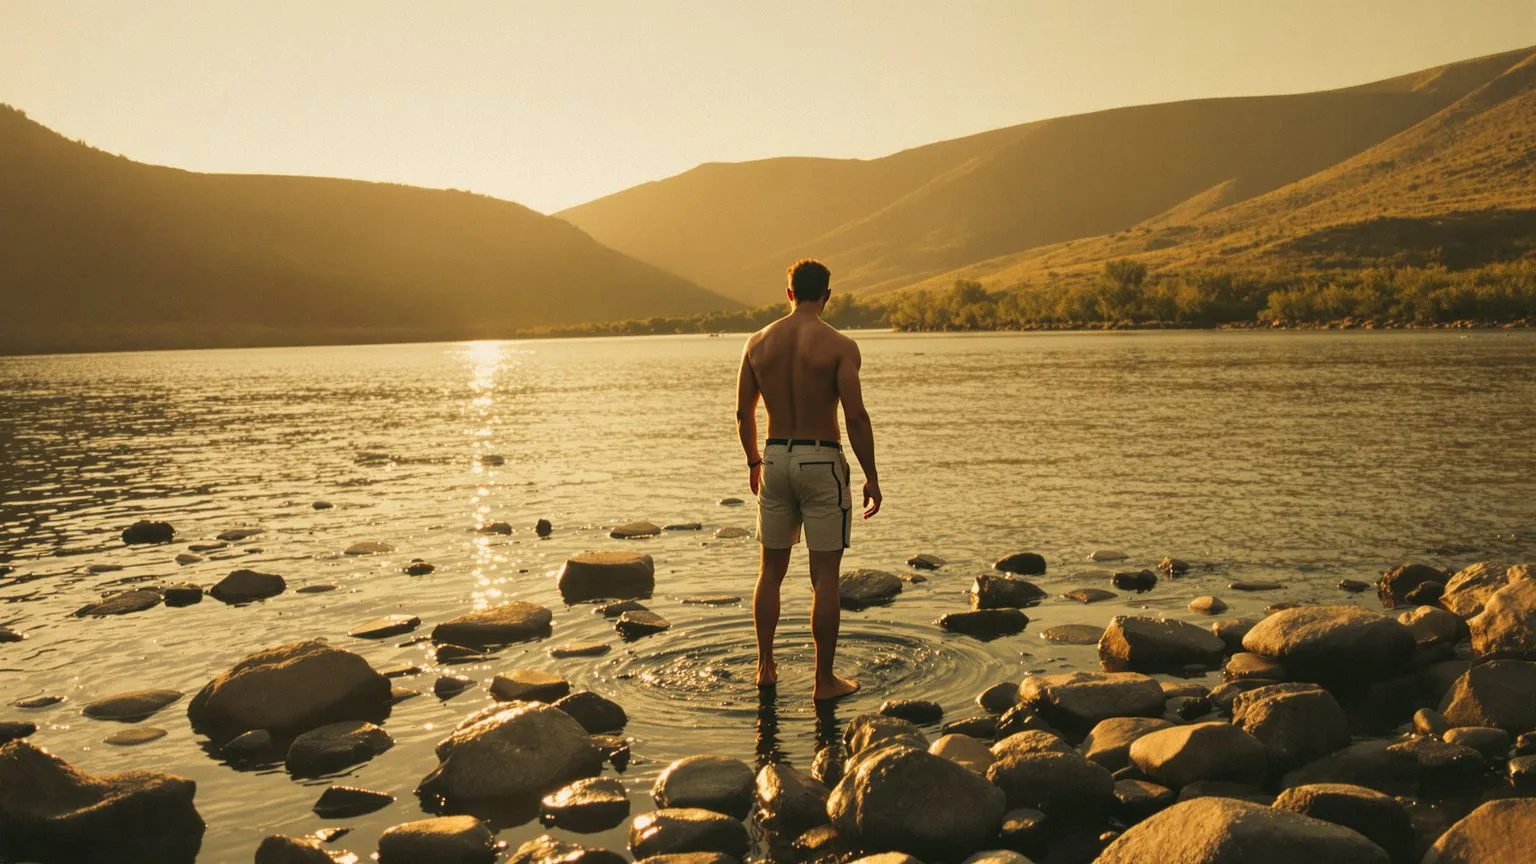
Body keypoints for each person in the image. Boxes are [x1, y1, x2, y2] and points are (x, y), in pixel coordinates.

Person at [735, 258, 881, 702]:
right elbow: (854, 415)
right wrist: (872, 476)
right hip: (822, 461)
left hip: (776, 458)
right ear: (828, 295)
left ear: (789, 293)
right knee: (826, 579)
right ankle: (823, 682)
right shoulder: (839, 345)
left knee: (770, 572)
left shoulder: (757, 343)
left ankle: (765, 668)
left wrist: (754, 461)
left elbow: (744, 414)